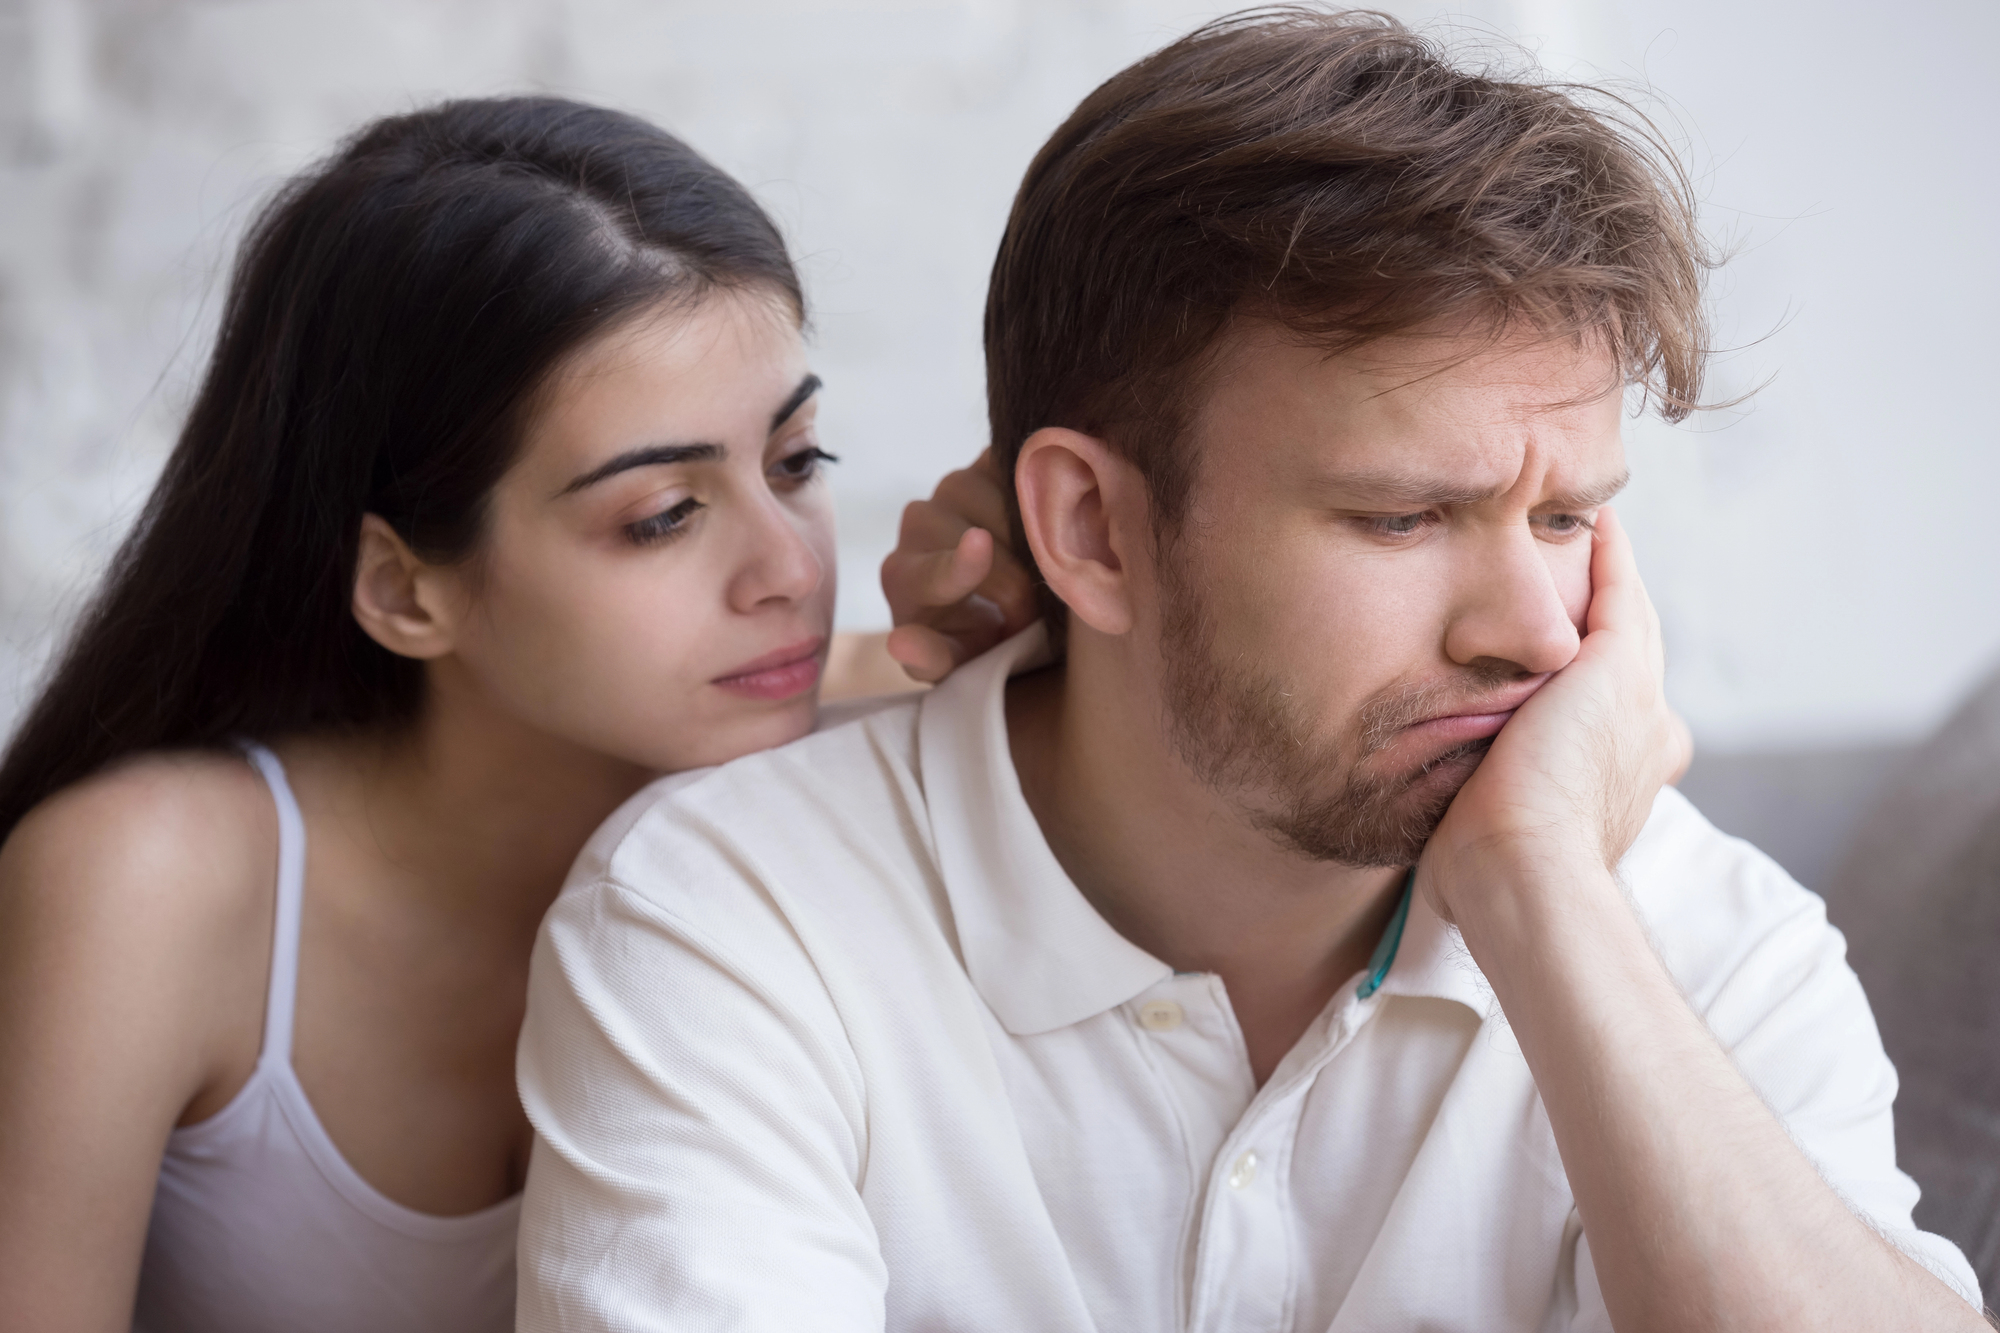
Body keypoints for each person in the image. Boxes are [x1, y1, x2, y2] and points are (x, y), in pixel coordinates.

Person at [516, 12, 1987, 1332]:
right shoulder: (726, 919)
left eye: (1566, 518)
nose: (1538, 633)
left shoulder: (1707, 946)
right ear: (1091, 529)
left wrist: (1547, 900)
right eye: (1402, 516)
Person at [0, 97, 1030, 1332]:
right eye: (661, 515)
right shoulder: (149, 886)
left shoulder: (915, 728)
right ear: (404, 587)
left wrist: (1054, 603)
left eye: (795, 462)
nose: (792, 571)